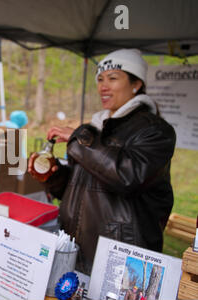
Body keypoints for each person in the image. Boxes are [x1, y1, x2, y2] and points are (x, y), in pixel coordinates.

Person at [28, 49, 176, 275]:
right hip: (78, 247)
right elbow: (81, 187)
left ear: (136, 84)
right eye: (100, 79)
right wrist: (54, 176)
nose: (103, 86)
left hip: (120, 255)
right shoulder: (98, 127)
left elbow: (128, 177)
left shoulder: (155, 130)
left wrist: (81, 138)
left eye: (113, 78)